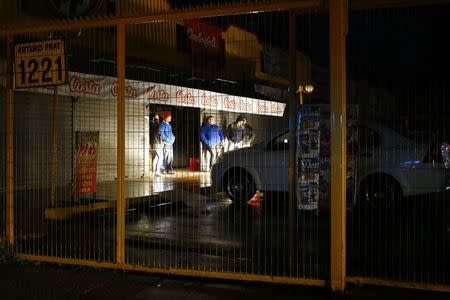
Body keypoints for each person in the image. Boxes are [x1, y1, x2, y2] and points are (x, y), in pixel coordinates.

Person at [149, 112, 163, 176]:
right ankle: (157, 171)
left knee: (157, 157)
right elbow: (157, 133)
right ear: (154, 117)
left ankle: (154, 171)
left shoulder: (153, 124)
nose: (158, 118)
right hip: (156, 142)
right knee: (160, 157)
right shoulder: (153, 125)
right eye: (157, 117)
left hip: (156, 142)